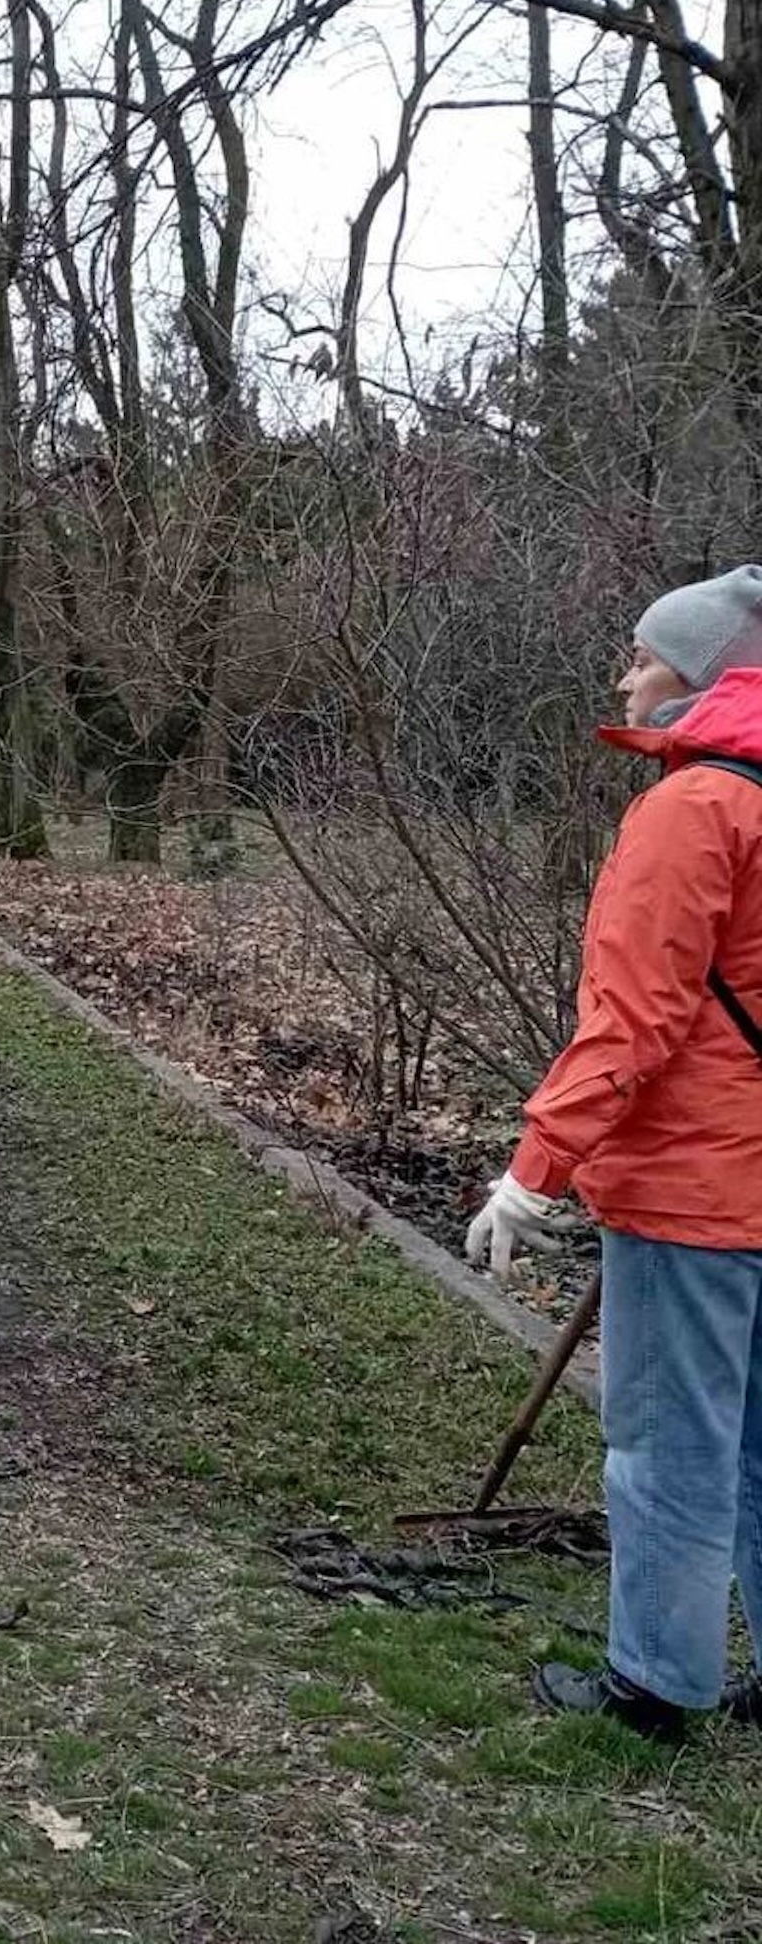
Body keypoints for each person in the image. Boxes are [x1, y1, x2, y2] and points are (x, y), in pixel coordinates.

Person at [467, 563, 762, 1742]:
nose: (623, 674)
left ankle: (655, 1682)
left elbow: (630, 1020)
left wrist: (531, 1169)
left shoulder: (692, 809)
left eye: (641, 654)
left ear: (697, 678)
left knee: (667, 1443)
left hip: (694, 1189)